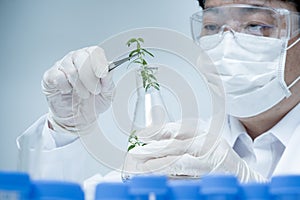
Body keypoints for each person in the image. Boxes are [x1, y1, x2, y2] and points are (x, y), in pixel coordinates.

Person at [17, 0, 299, 184]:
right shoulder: (188, 149)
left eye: (256, 25)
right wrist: (66, 129)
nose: (227, 44)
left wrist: (249, 189)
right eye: (212, 27)